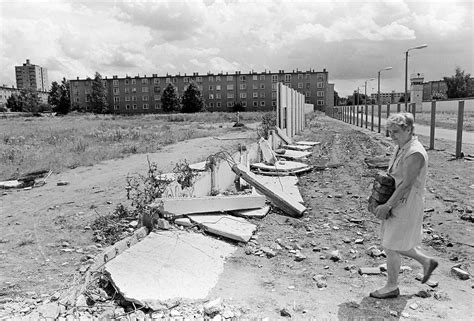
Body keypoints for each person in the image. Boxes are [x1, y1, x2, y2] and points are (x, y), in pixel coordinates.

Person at [370, 112, 438, 299]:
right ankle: (426, 262)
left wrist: (388, 206)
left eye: (396, 132)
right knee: (392, 241)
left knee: (391, 244)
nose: (392, 136)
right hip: (397, 200)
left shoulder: (414, 152)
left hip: (405, 203)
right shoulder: (401, 146)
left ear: (408, 129)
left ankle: (392, 286)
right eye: (389, 132)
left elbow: (406, 184)